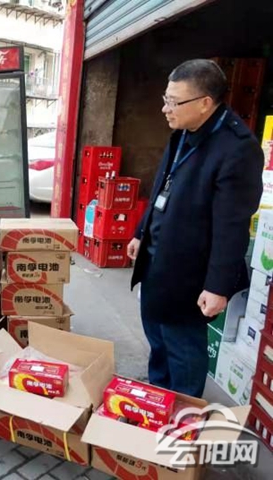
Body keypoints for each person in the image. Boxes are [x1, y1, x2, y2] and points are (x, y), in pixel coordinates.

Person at [127, 59, 263, 397]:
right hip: (157, 257)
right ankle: (159, 396)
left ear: (205, 102)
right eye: (166, 99)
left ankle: (184, 411)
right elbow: (163, 185)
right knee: (157, 335)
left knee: (183, 347)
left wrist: (217, 287)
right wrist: (141, 232)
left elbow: (233, 226)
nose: (165, 109)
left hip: (190, 272)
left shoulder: (237, 149)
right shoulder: (184, 131)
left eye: (174, 102)